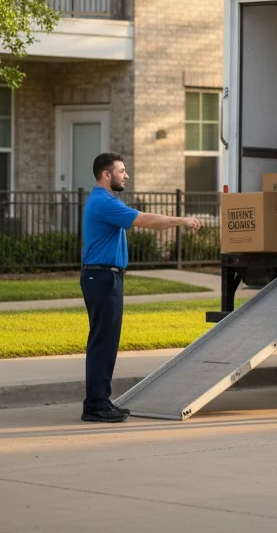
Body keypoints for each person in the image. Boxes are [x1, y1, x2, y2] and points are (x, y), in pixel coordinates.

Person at [80, 151, 202, 424]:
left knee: (105, 341)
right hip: (101, 277)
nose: (126, 175)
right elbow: (145, 220)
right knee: (103, 341)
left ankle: (99, 400)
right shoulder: (102, 201)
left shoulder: (106, 200)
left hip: (104, 276)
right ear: (106, 174)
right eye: (121, 170)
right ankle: (95, 405)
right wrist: (181, 220)